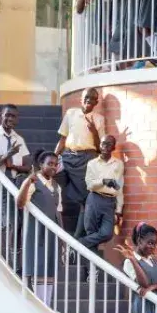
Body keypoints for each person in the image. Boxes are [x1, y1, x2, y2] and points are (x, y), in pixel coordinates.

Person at [15, 151, 62, 306]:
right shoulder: (34, 182)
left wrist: (62, 236)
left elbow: (58, 211)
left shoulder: (56, 186)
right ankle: (40, 305)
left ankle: (47, 305)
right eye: (50, 163)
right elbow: (20, 203)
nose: (53, 167)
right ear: (41, 165)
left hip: (53, 233)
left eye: (56, 164)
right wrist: (28, 182)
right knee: (38, 266)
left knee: (50, 269)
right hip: (38, 232)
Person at [55, 87, 104, 233]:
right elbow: (63, 138)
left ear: (96, 102)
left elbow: (100, 148)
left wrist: (94, 131)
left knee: (85, 199)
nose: (89, 100)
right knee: (55, 175)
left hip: (87, 159)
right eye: (86, 97)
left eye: (93, 98)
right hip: (68, 156)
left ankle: (78, 235)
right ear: (81, 99)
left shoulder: (99, 119)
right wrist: (54, 155)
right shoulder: (71, 113)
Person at [78, 134, 122, 256]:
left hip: (110, 201)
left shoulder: (118, 164)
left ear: (113, 147)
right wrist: (103, 181)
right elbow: (89, 185)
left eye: (109, 144)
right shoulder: (92, 163)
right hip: (95, 198)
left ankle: (78, 244)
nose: (105, 146)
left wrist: (119, 209)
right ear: (100, 145)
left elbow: (119, 187)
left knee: (107, 233)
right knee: (91, 233)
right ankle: (92, 270)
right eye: (103, 143)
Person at [0, 104, 30, 183]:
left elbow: (28, 167)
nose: (10, 119)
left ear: (17, 120)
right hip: (0, 181)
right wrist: (10, 152)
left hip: (17, 182)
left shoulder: (19, 139)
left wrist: (13, 166)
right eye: (7, 115)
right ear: (0, 116)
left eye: (13, 116)